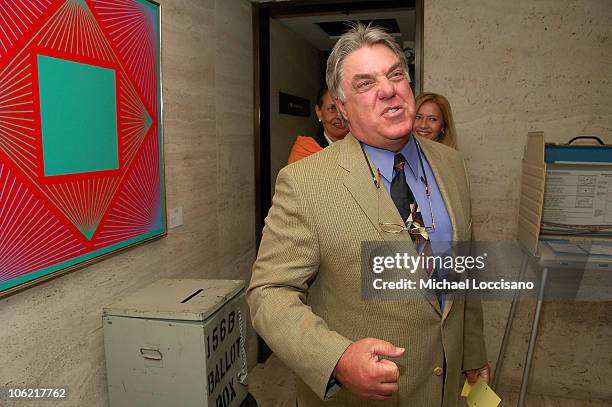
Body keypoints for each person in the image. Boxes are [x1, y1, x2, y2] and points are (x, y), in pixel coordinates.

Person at [248, 23, 488, 407]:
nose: (388, 89)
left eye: (395, 74)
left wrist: (472, 354)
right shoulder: (305, 182)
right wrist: (337, 359)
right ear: (342, 107)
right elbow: (269, 293)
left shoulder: (451, 165)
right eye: (365, 83)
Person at [288, 86, 348, 164]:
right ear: (319, 112)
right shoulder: (305, 149)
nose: (340, 115)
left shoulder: (364, 147)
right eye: (332, 108)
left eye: (344, 107)